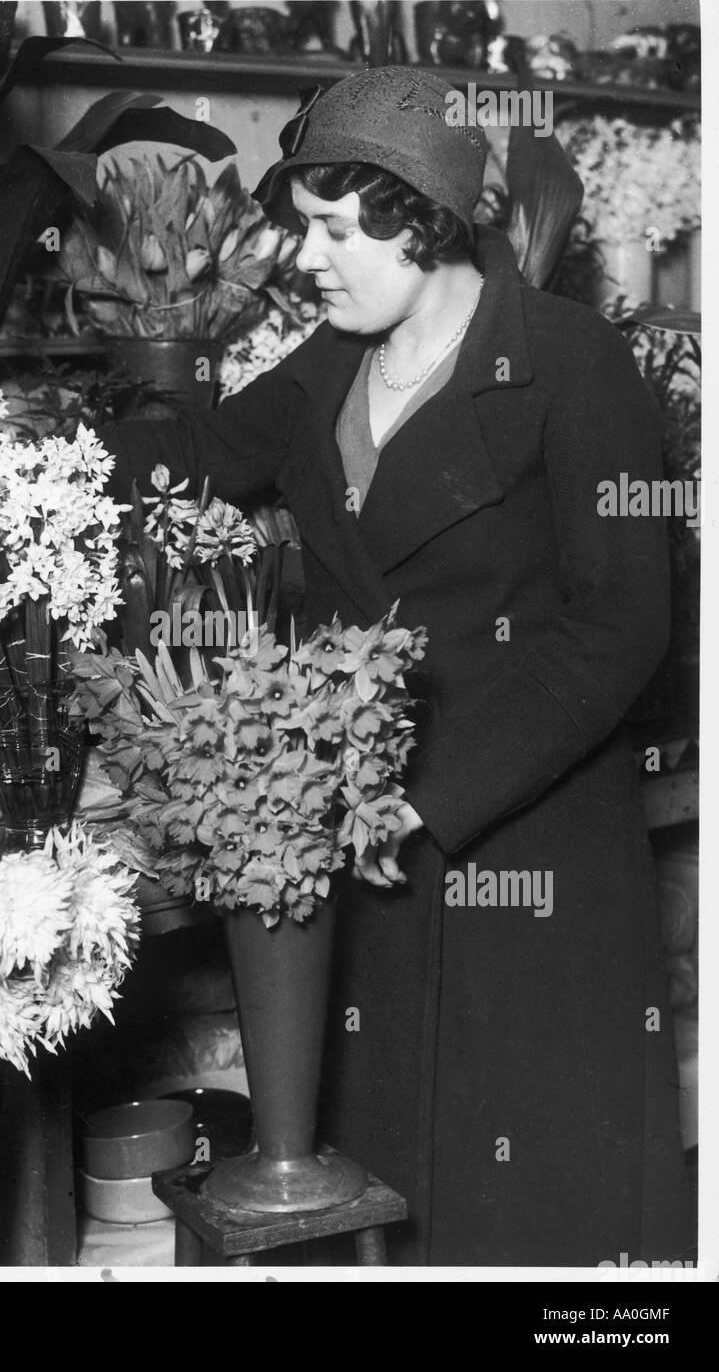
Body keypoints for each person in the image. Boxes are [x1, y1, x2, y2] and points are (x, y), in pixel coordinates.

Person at [99, 67, 694, 1266]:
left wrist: (421, 801)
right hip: (366, 866)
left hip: (518, 853)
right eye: (300, 224)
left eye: (328, 227)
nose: (304, 257)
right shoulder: (331, 361)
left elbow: (618, 629)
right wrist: (4, 460)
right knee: (382, 1188)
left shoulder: (568, 362)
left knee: (523, 1214)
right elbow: (198, 454)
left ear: (413, 214)